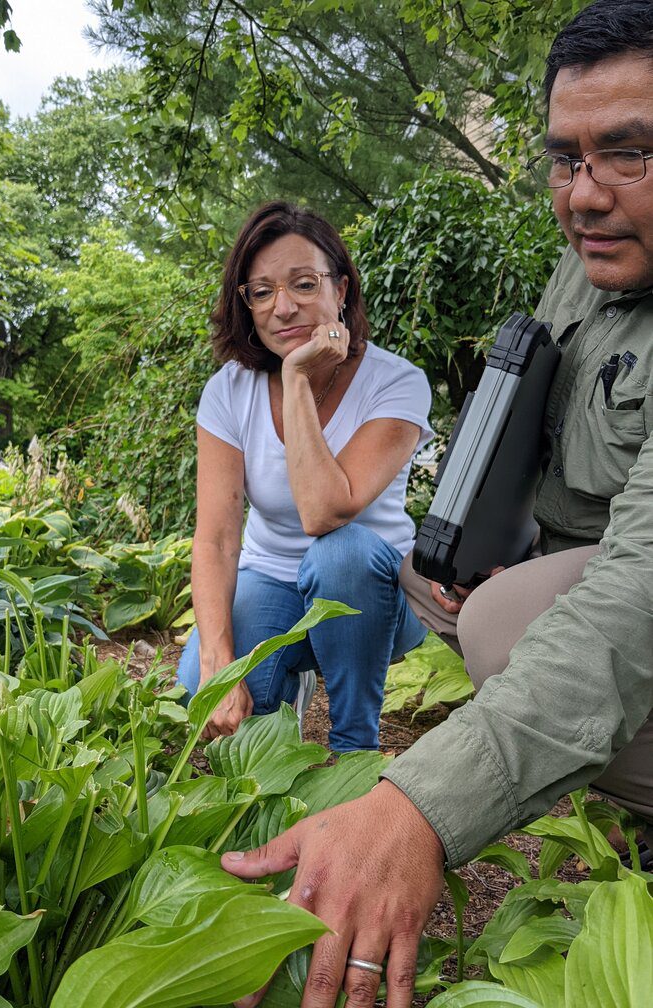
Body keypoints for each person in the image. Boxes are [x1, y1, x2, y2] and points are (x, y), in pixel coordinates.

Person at [220, 3, 653, 1006]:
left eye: (629, 153)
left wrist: (417, 809)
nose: (583, 196)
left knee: (491, 614)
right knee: (434, 565)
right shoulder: (591, 264)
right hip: (588, 560)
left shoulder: (385, 386)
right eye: (564, 158)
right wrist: (514, 547)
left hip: (631, 597)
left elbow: (634, 588)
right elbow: (536, 446)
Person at [177, 201, 432, 752]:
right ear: (245, 304)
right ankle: (284, 687)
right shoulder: (229, 390)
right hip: (271, 581)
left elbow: (324, 511)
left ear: (340, 290)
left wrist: (295, 379)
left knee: (339, 553)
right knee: (201, 688)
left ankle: (354, 749)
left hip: (378, 596)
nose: (283, 308)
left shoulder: (397, 383)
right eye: (262, 291)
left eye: (303, 284)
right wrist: (220, 664)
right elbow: (217, 539)